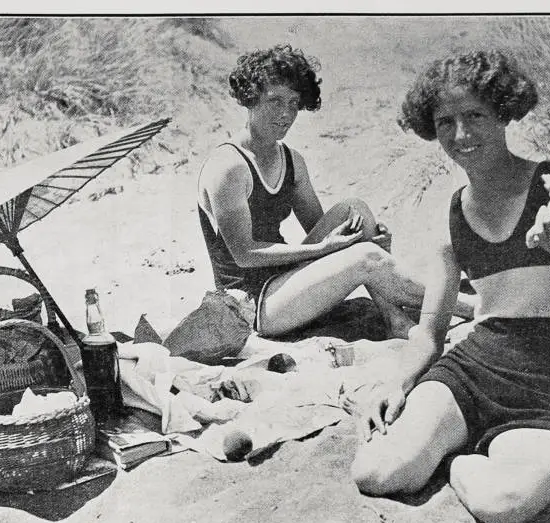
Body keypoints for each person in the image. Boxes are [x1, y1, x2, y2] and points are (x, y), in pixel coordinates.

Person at [345, 50, 550, 523]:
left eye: (475, 116)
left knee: (503, 504)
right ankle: (452, 440)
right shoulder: (450, 215)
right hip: (473, 369)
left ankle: (457, 458)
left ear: (503, 113)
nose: (461, 135)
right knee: (375, 471)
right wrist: (398, 381)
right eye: (445, 122)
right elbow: (430, 332)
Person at [197, 44, 474, 338]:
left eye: (293, 103)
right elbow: (245, 254)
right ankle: (473, 308)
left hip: (286, 280)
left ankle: (395, 318)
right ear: (249, 100)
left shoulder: (292, 161)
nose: (285, 114)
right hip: (251, 305)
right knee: (366, 258)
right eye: (274, 101)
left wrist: (371, 240)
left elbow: (330, 231)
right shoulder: (228, 166)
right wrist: (323, 249)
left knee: (355, 211)